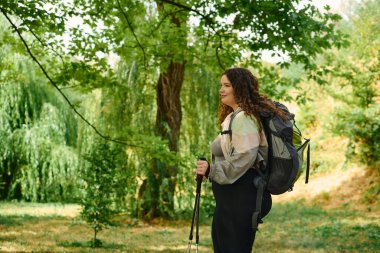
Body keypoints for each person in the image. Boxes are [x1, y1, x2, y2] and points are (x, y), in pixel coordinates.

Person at [194, 67, 287, 253]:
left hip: (241, 196)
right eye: (221, 85)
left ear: (240, 88)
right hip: (232, 197)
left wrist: (213, 171)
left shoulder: (244, 117)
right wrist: (208, 169)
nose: (221, 89)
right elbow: (226, 153)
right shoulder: (234, 116)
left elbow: (245, 157)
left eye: (227, 85)